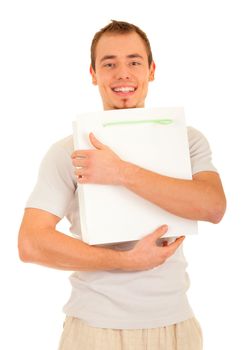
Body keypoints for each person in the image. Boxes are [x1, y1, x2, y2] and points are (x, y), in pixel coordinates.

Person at [18, 20, 226, 350]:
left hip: (174, 327)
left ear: (151, 70)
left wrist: (120, 172)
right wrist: (125, 261)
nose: (123, 73)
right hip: (94, 329)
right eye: (109, 63)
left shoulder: (188, 141)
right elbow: (31, 243)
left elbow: (213, 207)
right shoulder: (66, 151)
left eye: (134, 62)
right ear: (93, 74)